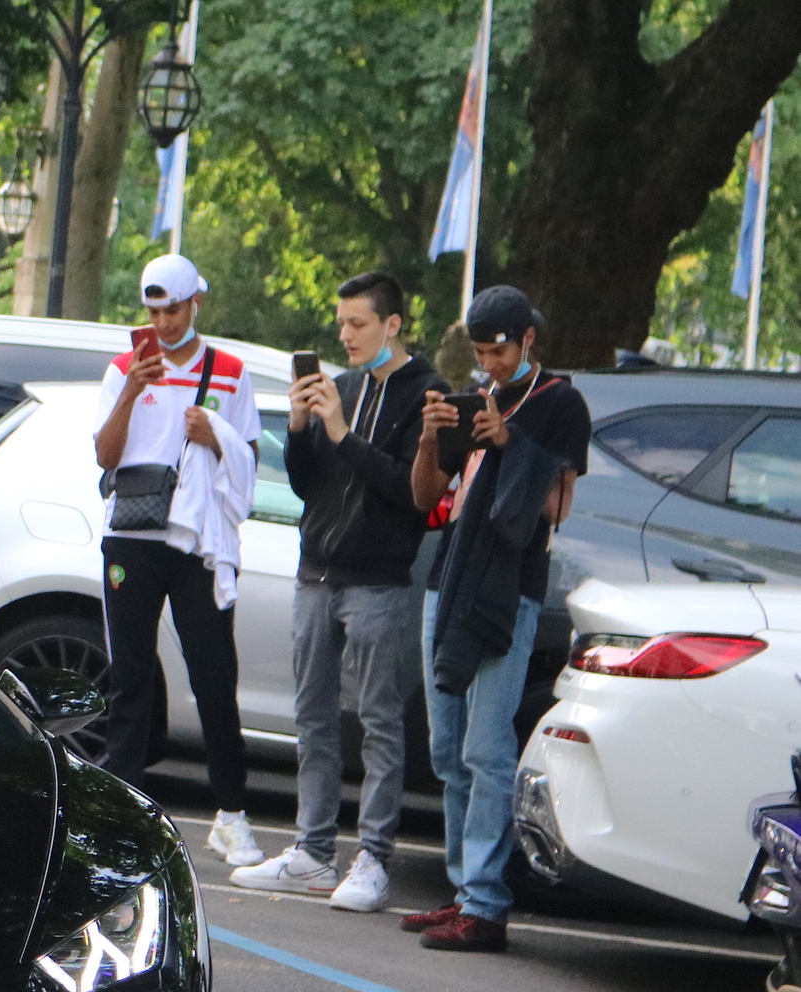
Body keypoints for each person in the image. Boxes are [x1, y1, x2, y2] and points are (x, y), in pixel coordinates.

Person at [233, 271, 446, 911]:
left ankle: (374, 857)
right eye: (341, 323)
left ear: (392, 325)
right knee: (312, 717)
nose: (345, 335)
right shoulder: (342, 388)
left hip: (379, 578)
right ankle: (312, 850)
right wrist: (301, 428)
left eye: (357, 323)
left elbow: (409, 494)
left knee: (378, 719)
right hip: (316, 572)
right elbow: (309, 487)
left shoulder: (425, 393)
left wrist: (341, 434)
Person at [403, 284, 591, 952]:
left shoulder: (560, 402)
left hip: (508, 587)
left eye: (501, 349)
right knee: (446, 748)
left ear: (529, 338)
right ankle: (462, 892)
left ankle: (485, 905)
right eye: (481, 352)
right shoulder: (475, 394)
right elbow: (428, 497)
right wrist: (430, 439)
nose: (492, 363)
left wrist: (511, 441)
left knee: (486, 748)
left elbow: (559, 509)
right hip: (449, 579)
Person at [91, 253, 266, 867]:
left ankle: (233, 815)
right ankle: (123, 815)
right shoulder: (124, 368)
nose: (162, 323)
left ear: (196, 303)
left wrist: (213, 432)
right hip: (133, 537)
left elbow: (248, 458)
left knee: (214, 674)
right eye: (153, 310)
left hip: (197, 542)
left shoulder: (230, 372)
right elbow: (106, 456)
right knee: (130, 676)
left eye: (172, 309)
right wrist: (133, 391)